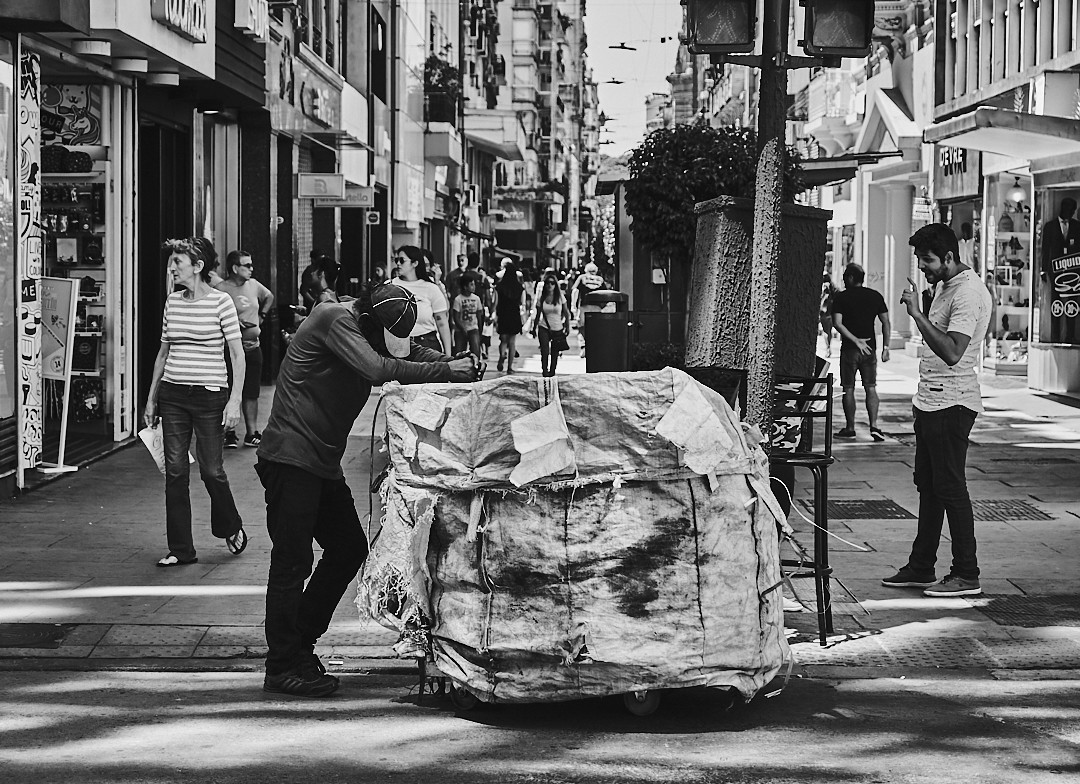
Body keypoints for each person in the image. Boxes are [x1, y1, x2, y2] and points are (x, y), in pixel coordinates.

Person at [256, 283, 478, 697]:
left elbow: (407, 356)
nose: (388, 346)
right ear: (368, 321)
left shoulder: (364, 328)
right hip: (290, 457)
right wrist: (448, 371)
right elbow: (379, 369)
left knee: (348, 550)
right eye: (383, 338)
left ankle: (298, 645)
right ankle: (282, 664)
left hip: (320, 463)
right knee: (291, 561)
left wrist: (454, 363)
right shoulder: (333, 318)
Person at [882, 223, 992, 598]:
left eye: (927, 260)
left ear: (949, 257)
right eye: (919, 260)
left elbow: (952, 351)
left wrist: (916, 314)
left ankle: (966, 572)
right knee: (928, 487)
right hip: (930, 402)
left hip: (952, 403)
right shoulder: (945, 287)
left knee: (950, 487)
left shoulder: (969, 294)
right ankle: (920, 566)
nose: (922, 267)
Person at [143, 237, 247, 568]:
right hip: (173, 394)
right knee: (174, 471)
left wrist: (234, 402)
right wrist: (151, 398)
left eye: (178, 263)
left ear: (198, 266)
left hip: (209, 396)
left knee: (212, 470)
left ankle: (230, 524)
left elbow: (237, 355)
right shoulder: (172, 302)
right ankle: (181, 549)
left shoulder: (221, 303)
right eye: (171, 262)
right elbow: (163, 353)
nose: (172, 268)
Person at [216, 250, 274, 449]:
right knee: (229, 390)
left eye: (251, 265)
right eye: (246, 265)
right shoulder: (221, 289)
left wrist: (262, 317)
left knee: (251, 391)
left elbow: (269, 297)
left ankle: (251, 432)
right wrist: (232, 323)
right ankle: (228, 433)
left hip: (252, 348)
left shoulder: (254, 285)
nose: (251, 268)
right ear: (234, 268)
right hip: (230, 350)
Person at [831, 263, 890, 441]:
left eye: (844, 277)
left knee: (848, 389)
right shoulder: (875, 296)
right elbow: (886, 322)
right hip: (869, 349)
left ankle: (850, 428)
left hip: (850, 349)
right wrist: (886, 347)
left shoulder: (841, 297)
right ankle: (874, 426)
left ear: (850, 278)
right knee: (871, 388)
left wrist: (855, 340)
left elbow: (837, 323)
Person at [392, 245, 452, 353]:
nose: (398, 264)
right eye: (396, 260)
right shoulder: (390, 286)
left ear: (415, 263)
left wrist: (448, 356)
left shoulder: (431, 288)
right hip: (397, 345)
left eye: (402, 260)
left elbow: (442, 322)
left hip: (426, 344)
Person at [530, 271, 571, 377]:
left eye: (552, 283)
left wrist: (567, 326)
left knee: (555, 352)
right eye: (548, 283)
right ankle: (545, 371)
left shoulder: (560, 297)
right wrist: (534, 328)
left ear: (555, 285)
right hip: (544, 327)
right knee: (545, 350)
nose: (550, 285)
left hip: (557, 328)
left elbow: (566, 313)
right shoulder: (542, 298)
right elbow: (538, 314)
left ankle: (552, 371)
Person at [494, 260, 525, 373]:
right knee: (512, 342)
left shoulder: (499, 286)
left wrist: (495, 314)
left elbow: (496, 302)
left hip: (503, 314)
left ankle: (502, 355)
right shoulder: (519, 287)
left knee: (503, 340)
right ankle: (510, 367)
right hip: (514, 314)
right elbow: (522, 303)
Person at [570, 262, 605, 357]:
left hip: (584, 307)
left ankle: (584, 348)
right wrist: (602, 306)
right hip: (597, 307)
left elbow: (575, 291)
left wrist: (573, 306)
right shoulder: (600, 280)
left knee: (582, 328)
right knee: (596, 328)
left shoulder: (582, 277)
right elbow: (605, 294)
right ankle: (594, 348)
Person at [451, 275, 483, 357]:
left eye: (474, 284)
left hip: (473, 328)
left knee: (476, 351)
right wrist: (462, 328)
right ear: (465, 287)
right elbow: (456, 317)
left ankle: (475, 367)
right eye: (471, 285)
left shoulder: (476, 299)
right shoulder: (458, 299)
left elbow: (479, 315)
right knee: (459, 352)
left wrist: (480, 329)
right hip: (460, 329)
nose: (474, 287)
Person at [819, 272, 837, 358]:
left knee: (826, 331)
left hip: (825, 313)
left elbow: (823, 299)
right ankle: (829, 347)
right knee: (829, 331)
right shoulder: (833, 287)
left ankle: (828, 349)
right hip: (833, 313)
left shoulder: (823, 286)